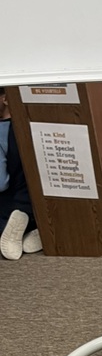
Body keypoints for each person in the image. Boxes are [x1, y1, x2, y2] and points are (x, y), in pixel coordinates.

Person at [0, 87, 42, 260]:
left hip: (9, 201)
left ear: (6, 100)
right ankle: (35, 229)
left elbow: (1, 183)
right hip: (35, 202)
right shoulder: (32, 127)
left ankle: (14, 225)